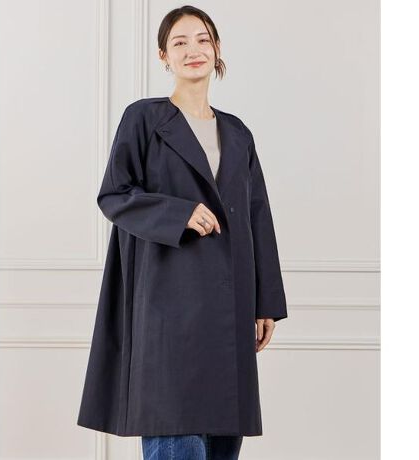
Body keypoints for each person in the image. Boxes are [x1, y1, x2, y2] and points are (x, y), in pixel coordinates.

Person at [77, 5, 288, 460]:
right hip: (167, 310)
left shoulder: (238, 133)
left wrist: (265, 301)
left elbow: (257, 215)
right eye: (180, 42)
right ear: (163, 56)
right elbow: (114, 194)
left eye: (203, 39)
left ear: (217, 49)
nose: (194, 50)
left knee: (222, 441)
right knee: (175, 429)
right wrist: (178, 213)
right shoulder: (144, 119)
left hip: (228, 314)